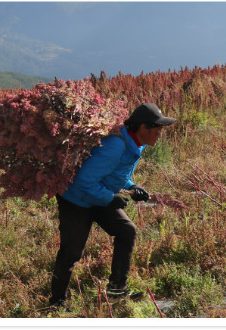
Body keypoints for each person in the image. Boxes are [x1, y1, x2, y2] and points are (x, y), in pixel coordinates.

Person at [49, 102, 176, 309]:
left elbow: (115, 173)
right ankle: (56, 303)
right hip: (77, 199)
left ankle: (117, 290)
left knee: (126, 231)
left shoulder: (136, 143)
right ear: (143, 127)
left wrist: (132, 187)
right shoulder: (115, 146)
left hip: (99, 195)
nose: (160, 135)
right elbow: (84, 180)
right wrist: (109, 198)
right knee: (71, 252)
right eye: (158, 129)